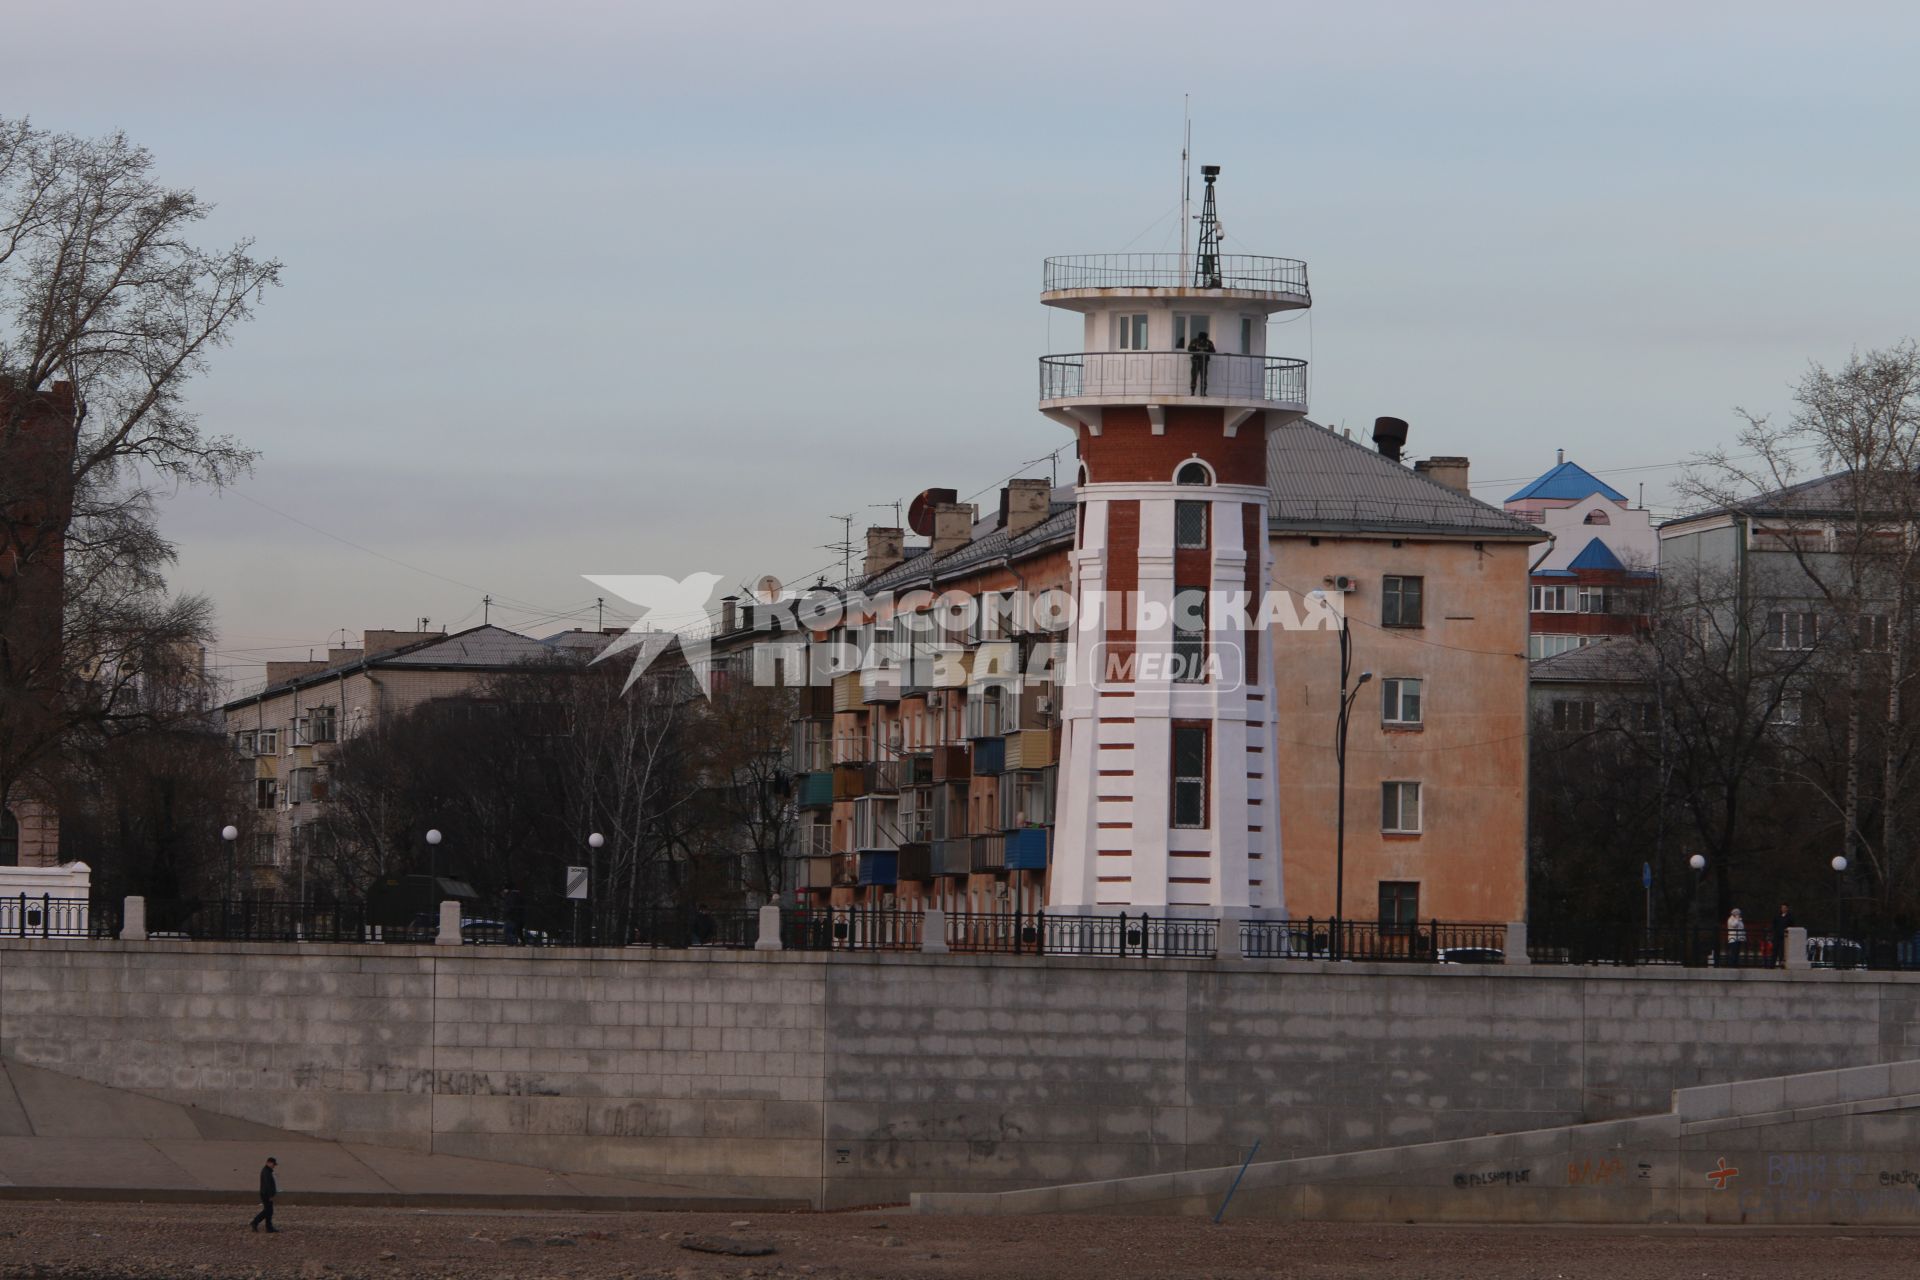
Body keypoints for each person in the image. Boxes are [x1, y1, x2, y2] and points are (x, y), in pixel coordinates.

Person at [250, 1157, 278, 1233]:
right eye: (273, 1164)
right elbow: (267, 1185)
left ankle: (269, 1227)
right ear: (268, 1163)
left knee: (269, 1211)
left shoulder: (267, 1171)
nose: (274, 1166)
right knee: (267, 1211)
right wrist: (270, 1196)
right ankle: (255, 1222)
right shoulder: (266, 1172)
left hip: (265, 1193)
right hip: (266, 1194)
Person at [1187, 330, 1215, 394]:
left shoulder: (1208, 342)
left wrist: (1206, 351)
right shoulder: (1194, 341)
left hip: (1204, 361)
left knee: (1203, 377)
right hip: (1195, 361)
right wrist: (1197, 351)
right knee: (1194, 377)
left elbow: (1213, 351)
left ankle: (1203, 392)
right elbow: (1189, 349)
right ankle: (1192, 392)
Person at [1771, 903, 1795, 968]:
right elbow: (1774, 924)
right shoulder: (1777, 916)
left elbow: (1792, 926)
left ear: (1787, 909)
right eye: (1782, 908)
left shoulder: (1790, 917)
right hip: (1777, 936)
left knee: (1782, 951)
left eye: (1784, 908)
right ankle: (1772, 964)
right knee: (1774, 950)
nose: (1783, 909)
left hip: (1784, 937)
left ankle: (1782, 964)